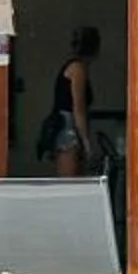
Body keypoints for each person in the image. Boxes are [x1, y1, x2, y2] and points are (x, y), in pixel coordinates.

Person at [42, 26, 101, 176]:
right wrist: (87, 144)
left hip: (65, 127)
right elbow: (78, 109)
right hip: (68, 130)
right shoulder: (77, 69)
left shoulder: (73, 67)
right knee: (69, 182)